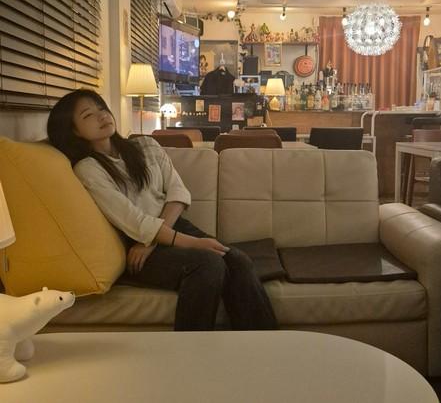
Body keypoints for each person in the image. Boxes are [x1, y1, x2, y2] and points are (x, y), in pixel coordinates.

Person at [45, 89, 275, 331]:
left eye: (102, 108)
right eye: (88, 115)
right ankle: (189, 349)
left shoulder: (146, 145)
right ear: (74, 131)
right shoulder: (89, 169)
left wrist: (153, 241)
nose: (102, 116)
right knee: (208, 264)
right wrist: (185, 242)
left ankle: (265, 344)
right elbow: (133, 220)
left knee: (238, 260)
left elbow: (177, 191)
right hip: (133, 244)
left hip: (164, 230)